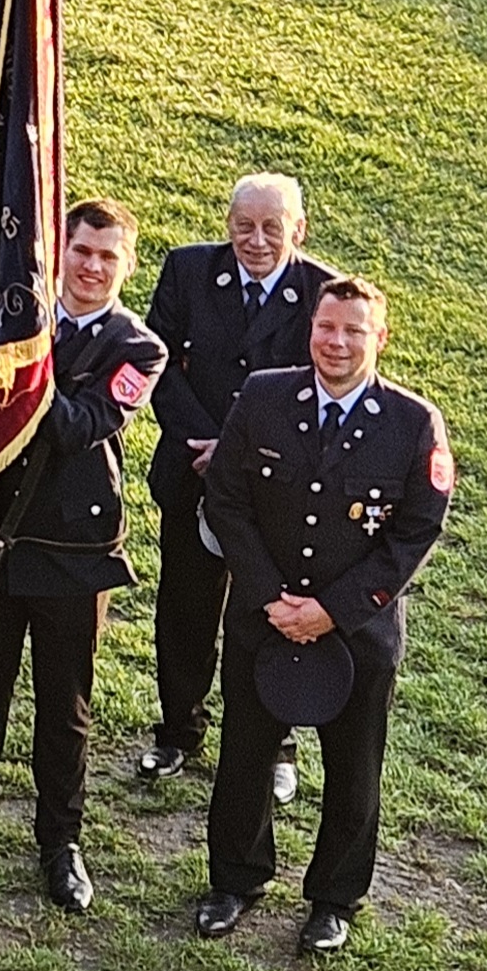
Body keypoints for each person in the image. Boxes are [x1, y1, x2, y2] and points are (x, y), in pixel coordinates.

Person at [0, 198, 169, 911]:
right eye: (81, 251)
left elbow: (80, 425)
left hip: (73, 552)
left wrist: (20, 368)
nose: (91, 267)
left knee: (64, 708)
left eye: (107, 256)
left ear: (126, 266)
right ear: (60, 252)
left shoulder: (138, 348)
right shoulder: (16, 322)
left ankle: (60, 843)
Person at [191, 276, 447, 955]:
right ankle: (234, 880)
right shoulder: (264, 397)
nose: (336, 342)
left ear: (379, 338)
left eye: (353, 331)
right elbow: (226, 501)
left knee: (353, 769)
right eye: (325, 327)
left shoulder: (412, 423)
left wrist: (331, 611)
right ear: (310, 328)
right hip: (264, 617)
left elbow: (415, 531)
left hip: (357, 632)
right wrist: (270, 596)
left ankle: (334, 900)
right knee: (244, 756)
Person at [137, 171, 335, 802]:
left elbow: (322, 386)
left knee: (271, 614)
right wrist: (205, 442)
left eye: (272, 227)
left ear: (298, 230)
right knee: (184, 609)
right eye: (243, 226)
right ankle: (178, 730)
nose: (256, 240)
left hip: (276, 487)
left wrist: (235, 451)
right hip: (190, 470)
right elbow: (158, 363)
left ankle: (276, 745)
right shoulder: (188, 270)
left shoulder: (322, 292)